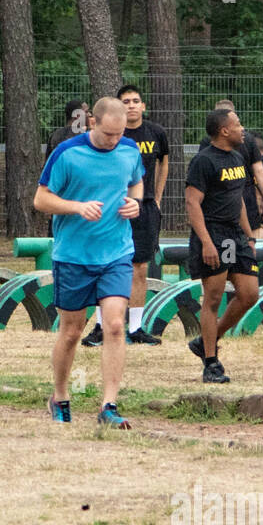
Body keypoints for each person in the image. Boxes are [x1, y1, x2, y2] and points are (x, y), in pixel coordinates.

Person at [34, 96, 144, 428]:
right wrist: (77, 207)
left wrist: (135, 203)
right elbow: (41, 199)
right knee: (71, 331)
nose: (114, 141)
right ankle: (60, 396)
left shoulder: (129, 151)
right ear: (92, 122)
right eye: (108, 134)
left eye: (120, 134)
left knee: (113, 326)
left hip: (116, 253)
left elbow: (136, 181)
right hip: (73, 256)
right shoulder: (67, 153)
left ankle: (108, 406)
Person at [82, 85, 168, 346]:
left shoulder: (156, 133)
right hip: (111, 210)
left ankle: (136, 328)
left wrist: (157, 198)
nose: (131, 105)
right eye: (126, 101)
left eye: (136, 101)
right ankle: (99, 326)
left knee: (139, 267)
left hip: (143, 208)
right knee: (102, 265)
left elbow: (164, 162)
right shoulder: (108, 135)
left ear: (143, 106)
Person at [184, 107, 261, 384]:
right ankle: (211, 363)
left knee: (250, 294)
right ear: (224, 131)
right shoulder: (203, 162)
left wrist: (249, 235)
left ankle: (210, 337)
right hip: (213, 233)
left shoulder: (238, 157)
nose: (243, 129)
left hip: (235, 236)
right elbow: (192, 203)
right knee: (213, 297)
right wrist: (206, 242)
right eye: (238, 125)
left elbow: (237, 199)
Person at [202, 99, 263, 228]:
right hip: (221, 201)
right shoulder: (206, 152)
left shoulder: (246, 141)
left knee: (248, 236)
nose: (241, 129)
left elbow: (259, 170)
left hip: (241, 196)